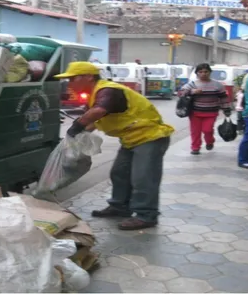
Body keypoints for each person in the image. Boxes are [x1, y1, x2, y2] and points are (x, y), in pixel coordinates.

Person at [55, 62, 174, 230]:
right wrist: (75, 137)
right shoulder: (96, 94)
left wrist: (78, 125)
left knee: (143, 178)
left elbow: (98, 112)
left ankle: (146, 215)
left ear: (89, 77)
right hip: (131, 138)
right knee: (119, 173)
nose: (70, 83)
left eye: (73, 78)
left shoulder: (108, 90)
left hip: (150, 137)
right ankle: (120, 207)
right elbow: (96, 120)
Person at [178, 63, 231, 154]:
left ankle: (210, 141)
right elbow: (181, 93)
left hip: (211, 112)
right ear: (197, 73)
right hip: (195, 112)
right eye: (200, 72)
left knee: (208, 130)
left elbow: (223, 98)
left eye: (206, 72)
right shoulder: (193, 84)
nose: (203, 74)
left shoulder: (217, 85)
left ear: (210, 72)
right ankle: (195, 148)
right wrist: (192, 91)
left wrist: (226, 109)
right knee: (195, 131)